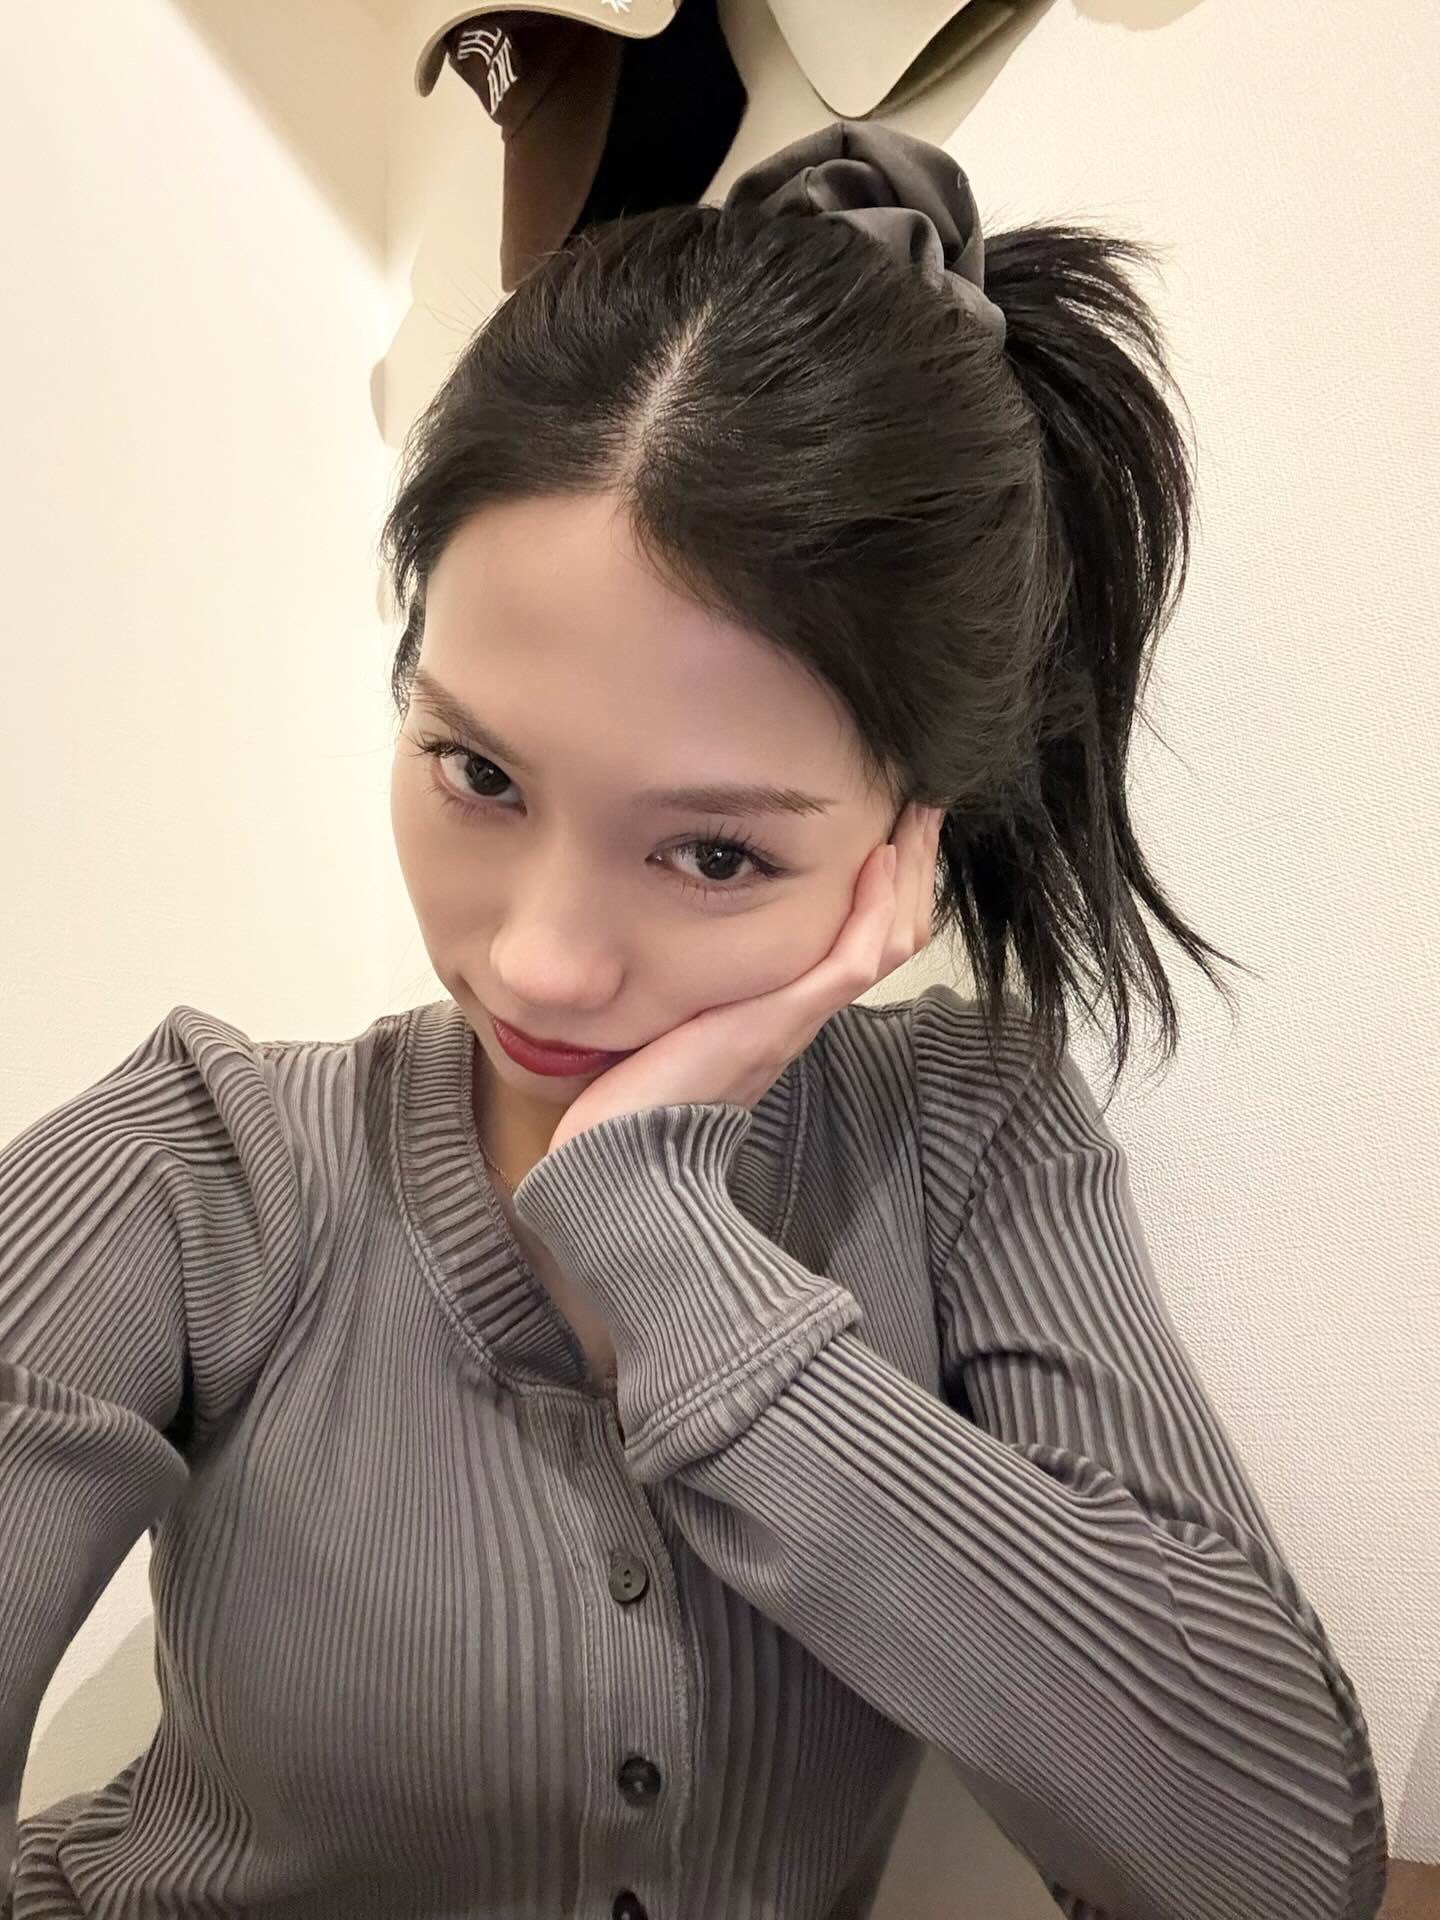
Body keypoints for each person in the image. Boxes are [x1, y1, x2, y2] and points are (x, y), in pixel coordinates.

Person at [1, 122, 1387, 1919]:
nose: (542, 963)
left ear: (905, 838)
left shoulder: (969, 1142)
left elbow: (1271, 1869)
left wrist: (662, 1240)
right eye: (477, 771)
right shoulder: (202, 1171)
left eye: (717, 852)